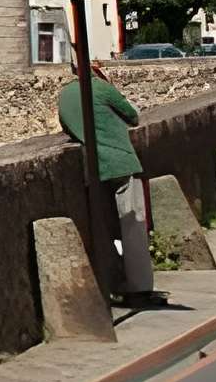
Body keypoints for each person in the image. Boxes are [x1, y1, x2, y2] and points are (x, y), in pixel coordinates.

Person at [57, 67, 155, 306]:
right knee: (133, 223)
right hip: (120, 162)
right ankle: (139, 288)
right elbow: (133, 115)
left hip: (92, 168)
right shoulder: (101, 87)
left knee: (100, 228)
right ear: (97, 74)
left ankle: (111, 281)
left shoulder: (64, 96)